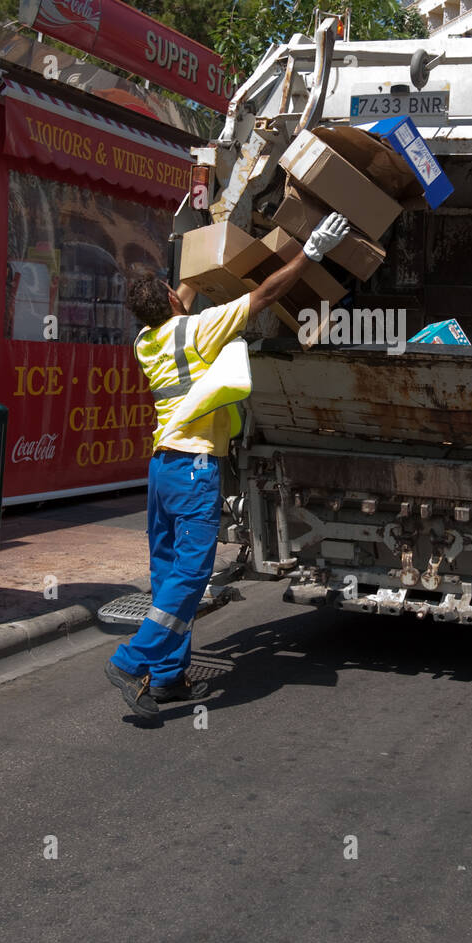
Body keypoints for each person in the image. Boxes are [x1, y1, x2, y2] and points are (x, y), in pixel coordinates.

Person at [105, 212, 351, 718]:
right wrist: (312, 253)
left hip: (161, 472)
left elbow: (178, 295)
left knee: (169, 574)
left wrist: (209, 236)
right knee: (191, 576)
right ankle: (133, 660)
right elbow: (263, 296)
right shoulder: (197, 331)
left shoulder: (146, 341)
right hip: (194, 471)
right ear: (172, 302)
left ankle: (169, 679)